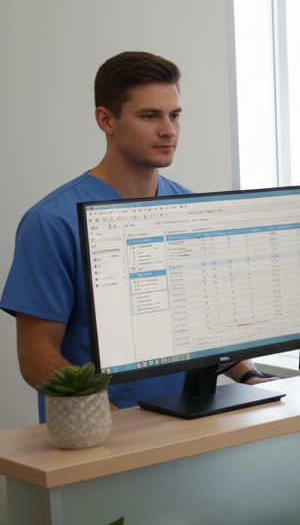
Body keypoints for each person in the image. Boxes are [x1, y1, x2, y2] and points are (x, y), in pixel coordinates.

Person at [1, 52, 276, 422]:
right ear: (106, 120)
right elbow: (36, 354)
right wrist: (99, 411)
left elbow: (208, 329)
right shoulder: (51, 222)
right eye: (150, 116)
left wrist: (249, 375)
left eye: (174, 115)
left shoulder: (191, 208)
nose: (169, 130)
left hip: (188, 420)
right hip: (101, 433)